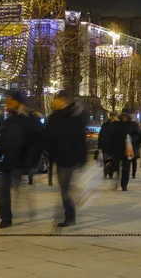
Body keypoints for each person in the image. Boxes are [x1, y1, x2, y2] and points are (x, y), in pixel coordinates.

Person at [0, 92, 43, 229]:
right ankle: (6, 218)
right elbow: (3, 138)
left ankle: (25, 209)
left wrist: (32, 159)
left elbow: (38, 140)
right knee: (3, 190)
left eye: (10, 100)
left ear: (18, 102)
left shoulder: (28, 119)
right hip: (8, 160)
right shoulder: (8, 120)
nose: (7, 102)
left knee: (16, 186)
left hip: (21, 160)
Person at [45, 90, 88, 227]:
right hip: (59, 158)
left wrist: (81, 158)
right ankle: (69, 211)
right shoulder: (53, 118)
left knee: (65, 189)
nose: (55, 101)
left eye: (58, 99)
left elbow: (80, 140)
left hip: (70, 158)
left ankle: (70, 216)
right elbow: (47, 137)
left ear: (65, 101)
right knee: (64, 188)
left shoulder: (74, 118)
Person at [111, 108, 140, 191]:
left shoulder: (133, 125)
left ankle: (124, 185)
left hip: (127, 149)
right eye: (123, 115)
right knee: (115, 165)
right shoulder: (116, 124)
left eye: (125, 115)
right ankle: (117, 175)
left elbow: (138, 136)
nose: (124, 117)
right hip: (117, 148)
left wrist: (131, 140)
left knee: (126, 168)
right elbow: (112, 136)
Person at [97, 112, 117, 178]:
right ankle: (106, 171)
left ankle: (110, 172)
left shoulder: (117, 125)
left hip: (114, 146)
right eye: (111, 116)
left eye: (114, 116)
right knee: (106, 160)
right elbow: (100, 136)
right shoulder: (105, 124)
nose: (112, 117)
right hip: (105, 145)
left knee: (112, 161)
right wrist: (99, 146)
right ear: (109, 116)